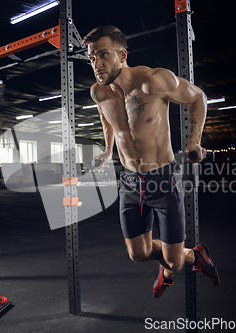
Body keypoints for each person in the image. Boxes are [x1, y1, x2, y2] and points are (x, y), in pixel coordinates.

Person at [83, 25, 219, 298]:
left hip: (163, 178)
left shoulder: (153, 81)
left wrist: (194, 141)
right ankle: (193, 255)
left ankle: (183, 260)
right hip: (130, 181)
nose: (96, 64)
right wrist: (108, 150)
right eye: (91, 58)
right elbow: (106, 119)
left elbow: (198, 98)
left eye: (103, 55)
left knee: (175, 262)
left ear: (122, 55)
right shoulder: (99, 92)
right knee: (138, 254)